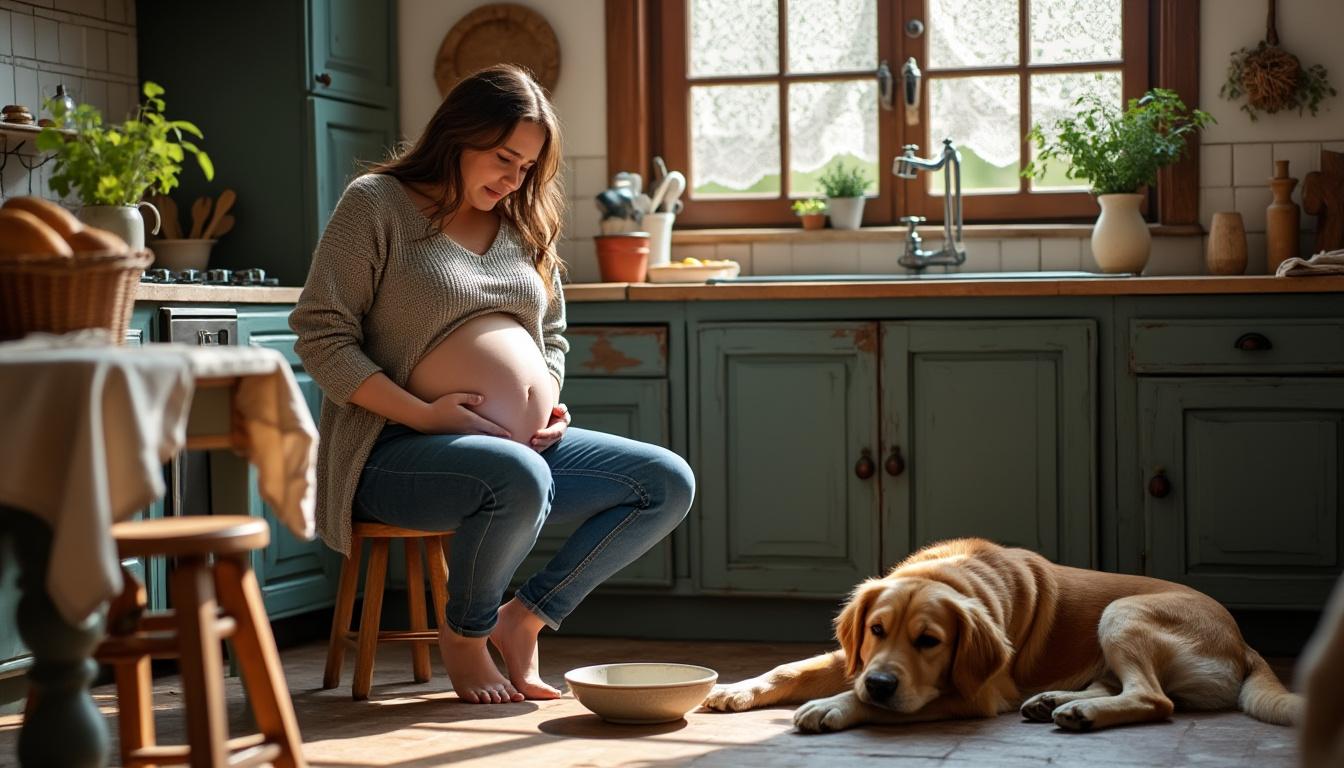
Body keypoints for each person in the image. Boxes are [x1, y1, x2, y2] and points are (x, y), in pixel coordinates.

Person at [290, 64, 694, 704]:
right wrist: (424, 415)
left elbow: (552, 334)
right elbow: (321, 336)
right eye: (505, 158)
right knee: (517, 475)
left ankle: (524, 618)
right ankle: (465, 635)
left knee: (666, 482)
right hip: (393, 453)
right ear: (458, 134)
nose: (515, 179)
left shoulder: (522, 222)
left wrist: (550, 400)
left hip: (522, 452)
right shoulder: (376, 205)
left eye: (529, 167)